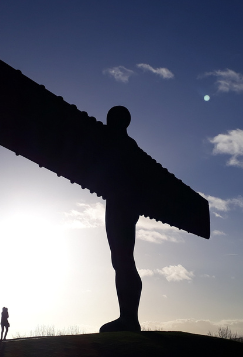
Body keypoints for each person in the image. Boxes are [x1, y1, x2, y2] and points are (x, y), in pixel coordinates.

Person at [99, 106, 143, 333]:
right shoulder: (122, 144)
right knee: (120, 259)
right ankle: (127, 317)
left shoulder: (123, 145)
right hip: (119, 204)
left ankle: (129, 318)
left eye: (110, 119)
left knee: (124, 259)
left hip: (122, 205)